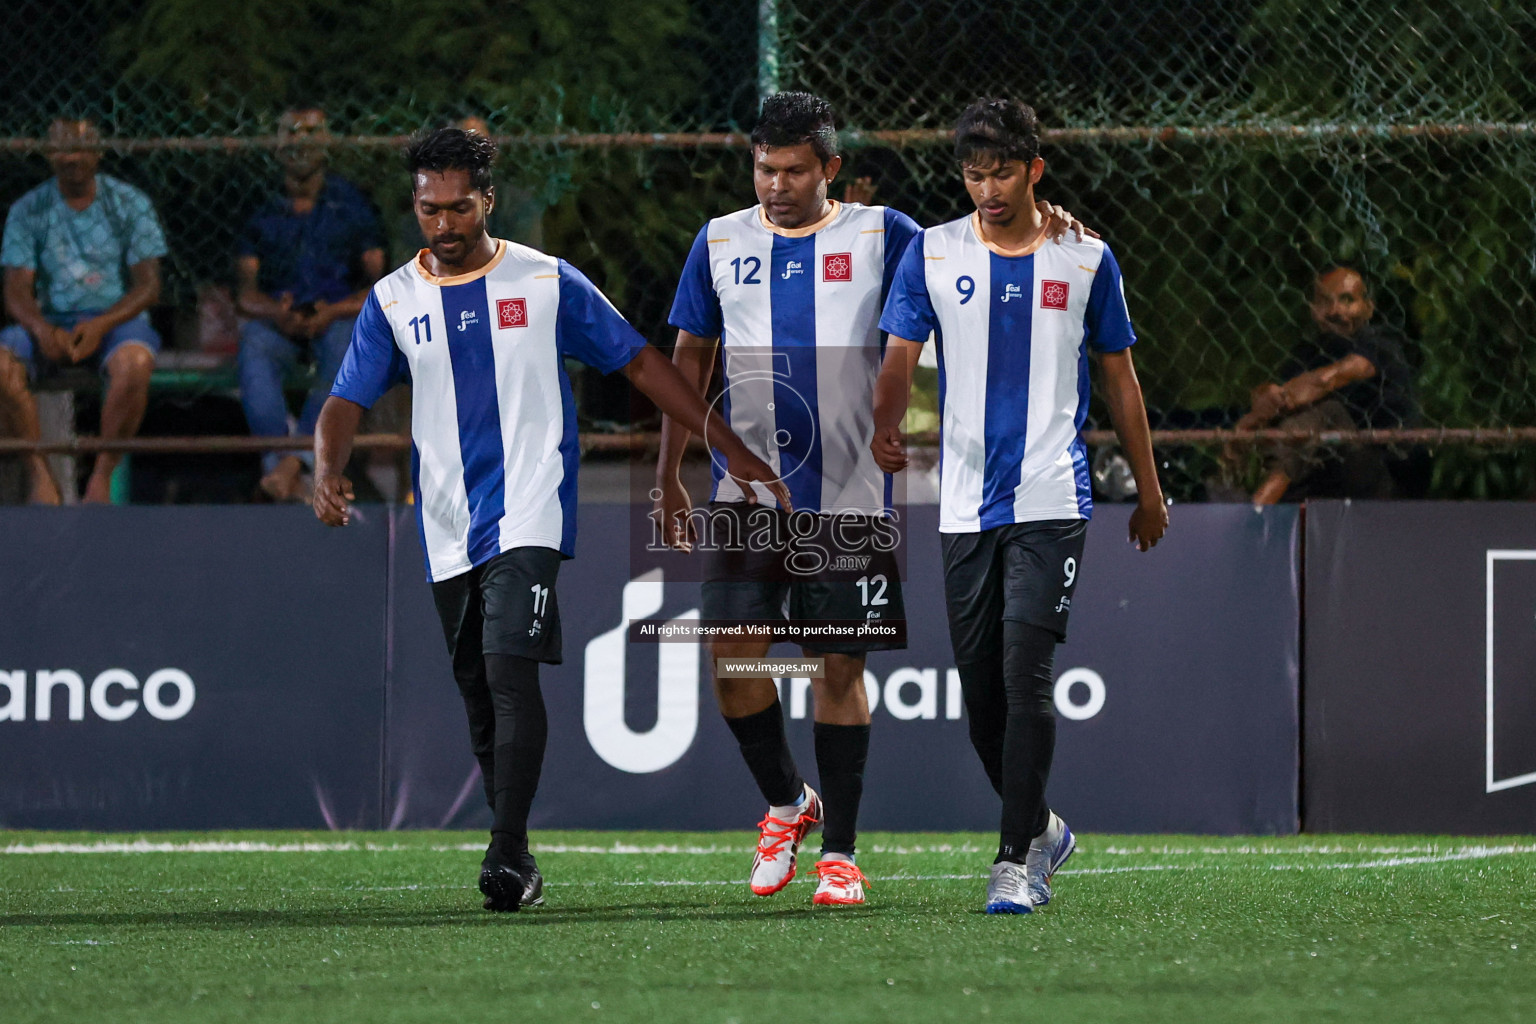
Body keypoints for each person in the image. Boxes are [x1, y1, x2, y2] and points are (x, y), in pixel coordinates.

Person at [313, 127, 787, 912]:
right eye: (430, 210)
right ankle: (516, 844)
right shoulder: (393, 299)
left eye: (460, 208)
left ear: (487, 201)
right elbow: (344, 401)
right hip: (444, 521)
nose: (445, 225)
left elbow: (639, 361)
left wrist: (725, 448)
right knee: (476, 690)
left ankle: (505, 855)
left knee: (507, 670)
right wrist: (328, 467)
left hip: (530, 506)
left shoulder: (546, 281)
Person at [656, 91, 1090, 907]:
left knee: (837, 666)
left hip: (850, 495)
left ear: (832, 169)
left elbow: (986, 242)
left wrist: (1050, 218)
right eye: (764, 168)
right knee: (731, 661)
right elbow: (689, 357)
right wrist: (668, 471)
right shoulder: (718, 241)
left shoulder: (888, 235)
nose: (776, 185)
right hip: (746, 494)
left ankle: (843, 856)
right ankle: (788, 803)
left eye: (793, 170)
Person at [871, 98, 1166, 914]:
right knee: (981, 698)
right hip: (962, 501)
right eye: (973, 173)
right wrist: (885, 421)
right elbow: (899, 355)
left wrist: (1149, 489)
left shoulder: (1085, 258)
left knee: (1025, 670)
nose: (987, 187)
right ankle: (1043, 824)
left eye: (1002, 171)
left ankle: (1014, 861)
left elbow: (1121, 380)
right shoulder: (931, 253)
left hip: (1050, 493)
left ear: (1035, 169)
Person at [0, 117, 166, 504]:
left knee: (135, 365)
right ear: (48, 153)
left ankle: (101, 476)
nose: (72, 157)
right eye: (62, 147)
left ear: (98, 151)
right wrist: (42, 330)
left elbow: (148, 286)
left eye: (80, 147)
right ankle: (39, 471)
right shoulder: (28, 209)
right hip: (52, 320)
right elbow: (16, 290)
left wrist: (101, 324)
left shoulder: (129, 203)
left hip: (115, 320)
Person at [237, 104, 386, 502]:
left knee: (350, 346)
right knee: (253, 344)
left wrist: (336, 310)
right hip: (279, 318)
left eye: (311, 132)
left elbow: (379, 286)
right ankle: (290, 467)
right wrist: (274, 312)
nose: (301, 142)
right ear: (276, 144)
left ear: (327, 143)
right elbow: (245, 294)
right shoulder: (259, 206)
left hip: (335, 314)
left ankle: (285, 468)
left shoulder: (353, 204)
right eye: (291, 132)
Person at [1234, 265, 1419, 503]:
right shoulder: (1307, 352)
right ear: (1313, 309)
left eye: (1347, 300)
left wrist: (1259, 413)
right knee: (1295, 420)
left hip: (1380, 473)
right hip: (1318, 472)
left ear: (1368, 307)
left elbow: (1328, 379)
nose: (1335, 310)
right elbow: (1277, 398)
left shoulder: (1378, 344)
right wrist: (1265, 397)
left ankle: (1258, 508)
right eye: (1324, 301)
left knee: (1327, 412)